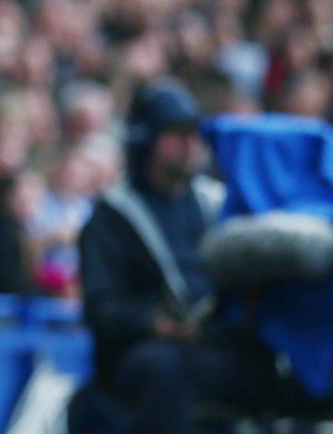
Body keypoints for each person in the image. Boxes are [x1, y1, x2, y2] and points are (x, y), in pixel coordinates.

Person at [75, 78, 281, 434]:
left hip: (211, 342)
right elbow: (100, 309)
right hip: (142, 353)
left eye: (193, 134)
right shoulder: (112, 215)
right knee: (164, 369)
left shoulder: (215, 203)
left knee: (269, 365)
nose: (190, 145)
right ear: (146, 139)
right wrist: (158, 323)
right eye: (176, 134)